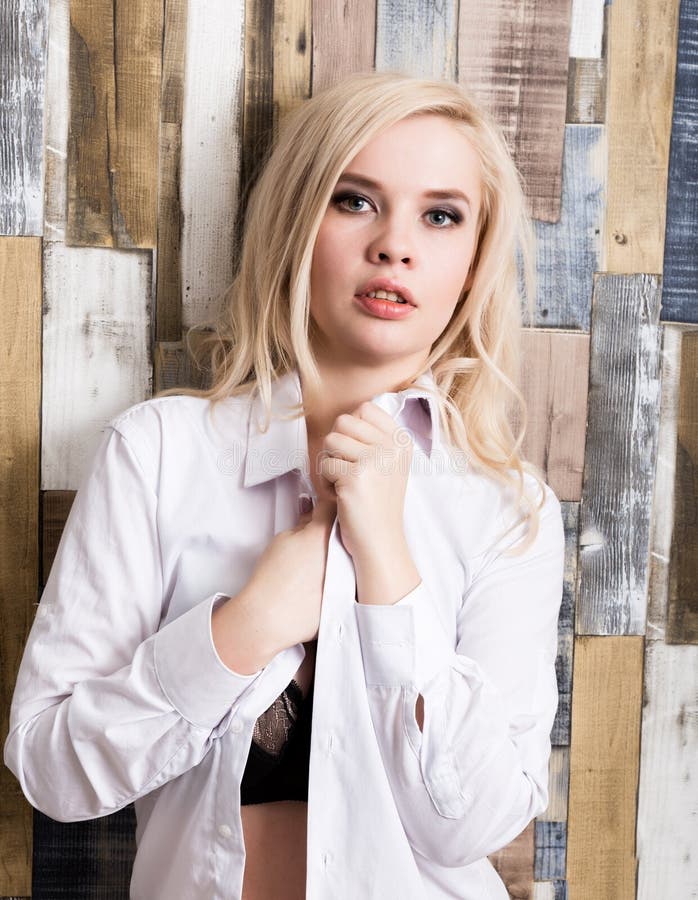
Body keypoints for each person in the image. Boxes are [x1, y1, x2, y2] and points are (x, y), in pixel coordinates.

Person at [5, 71, 565, 899]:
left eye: (440, 215)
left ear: (475, 258)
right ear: (299, 219)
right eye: (355, 200)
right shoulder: (160, 455)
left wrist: (388, 570)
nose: (395, 246)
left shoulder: (508, 511)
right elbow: (52, 770)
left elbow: (478, 825)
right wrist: (247, 625)